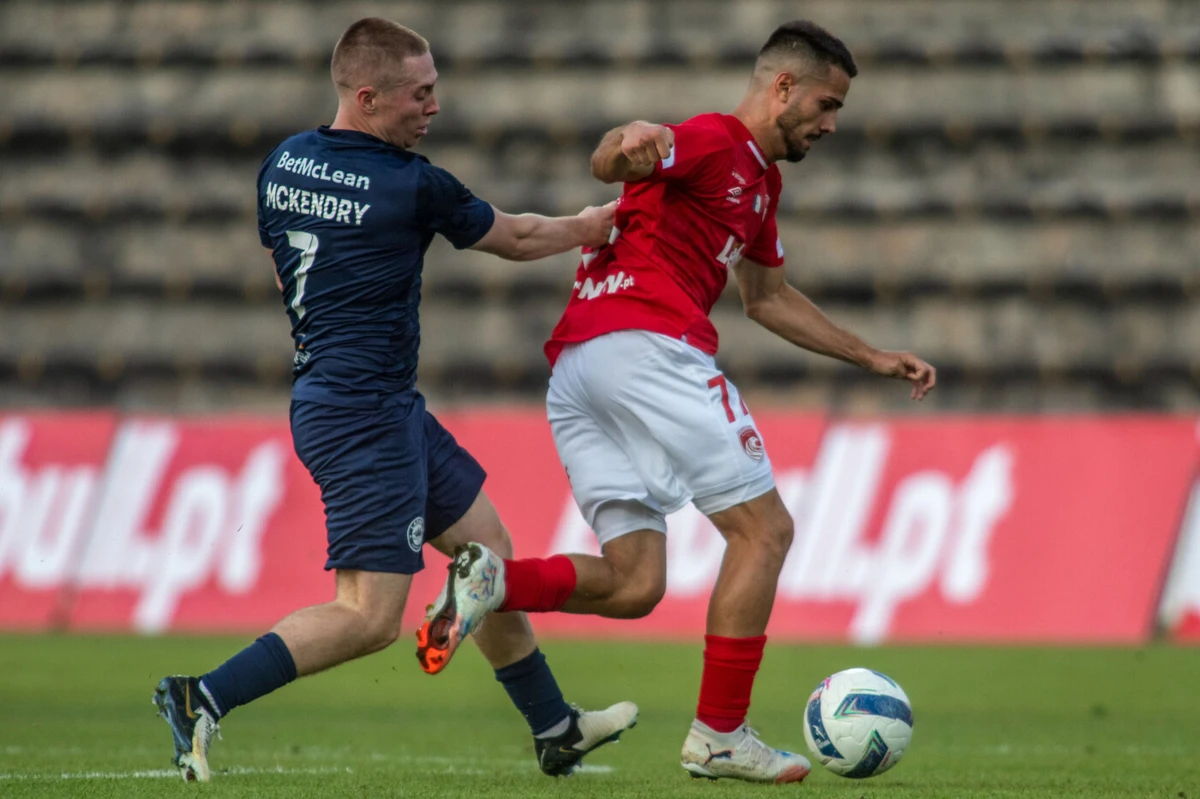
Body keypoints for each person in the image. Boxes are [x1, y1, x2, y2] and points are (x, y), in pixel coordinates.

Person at [416, 20, 936, 784]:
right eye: (827, 104)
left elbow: (767, 297)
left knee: (635, 584)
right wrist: (628, 140)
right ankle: (720, 733)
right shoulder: (714, 140)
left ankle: (493, 581)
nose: (830, 124)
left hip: (579, 370)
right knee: (764, 532)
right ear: (782, 86)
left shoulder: (762, 182)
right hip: (647, 347)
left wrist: (869, 354)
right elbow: (613, 162)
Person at [152, 17, 637, 783]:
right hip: (362, 418)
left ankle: (554, 725)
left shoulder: (283, 164)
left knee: (489, 559)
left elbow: (286, 274)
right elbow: (513, 238)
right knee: (370, 617)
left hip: (362, 400)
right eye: (421, 93)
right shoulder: (411, 184)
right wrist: (591, 225)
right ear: (370, 96)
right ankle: (201, 694)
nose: (434, 107)